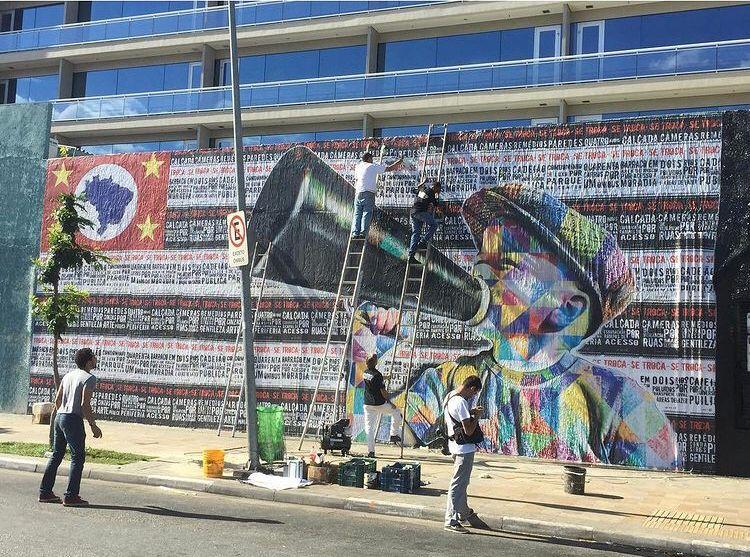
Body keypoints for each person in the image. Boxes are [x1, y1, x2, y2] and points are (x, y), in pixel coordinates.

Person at [351, 183, 681, 470]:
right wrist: (368, 354)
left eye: (505, 265)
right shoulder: (446, 381)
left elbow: (661, 499)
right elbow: (370, 445)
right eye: (481, 261)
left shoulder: (622, 404)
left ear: (566, 308)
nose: (479, 275)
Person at [39, 347, 103, 506]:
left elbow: (58, 399)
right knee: (78, 457)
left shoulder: (68, 375)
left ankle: (45, 492)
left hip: (60, 417)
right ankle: (71, 496)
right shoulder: (89, 378)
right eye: (94, 357)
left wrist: (57, 419)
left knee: (56, 455)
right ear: (89, 361)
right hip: (73, 419)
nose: (96, 360)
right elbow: (84, 404)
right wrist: (93, 425)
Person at [444, 375, 483, 533]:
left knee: (462, 484)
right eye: (474, 394)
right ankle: (450, 520)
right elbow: (469, 430)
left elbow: (456, 417)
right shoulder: (461, 402)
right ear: (472, 388)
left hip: (454, 446)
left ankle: (463, 512)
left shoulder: (450, 396)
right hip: (464, 450)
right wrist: (476, 416)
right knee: (458, 485)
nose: (473, 396)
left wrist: (470, 411)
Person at [351, 143, 403, 239]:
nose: (373, 160)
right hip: (368, 192)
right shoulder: (372, 166)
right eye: (372, 158)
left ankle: (355, 233)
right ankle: (363, 233)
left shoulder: (358, 167)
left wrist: (368, 147)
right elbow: (389, 168)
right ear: (369, 159)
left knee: (357, 213)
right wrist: (398, 162)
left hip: (358, 192)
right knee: (367, 212)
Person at [362, 354, 403, 458]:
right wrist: (390, 402)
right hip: (378, 403)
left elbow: (374, 378)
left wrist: (385, 377)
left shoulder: (365, 373)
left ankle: (371, 452)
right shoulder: (378, 375)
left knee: (369, 429)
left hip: (367, 404)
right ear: (375, 363)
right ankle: (393, 434)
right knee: (396, 412)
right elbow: (383, 391)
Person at [408, 180, 445, 263]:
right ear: (436, 187)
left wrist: (421, 184)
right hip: (420, 212)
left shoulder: (423, 190)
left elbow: (414, 190)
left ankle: (411, 256)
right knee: (434, 225)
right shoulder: (431, 193)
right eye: (439, 189)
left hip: (413, 212)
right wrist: (437, 195)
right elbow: (436, 204)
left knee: (416, 233)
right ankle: (423, 241)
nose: (439, 191)